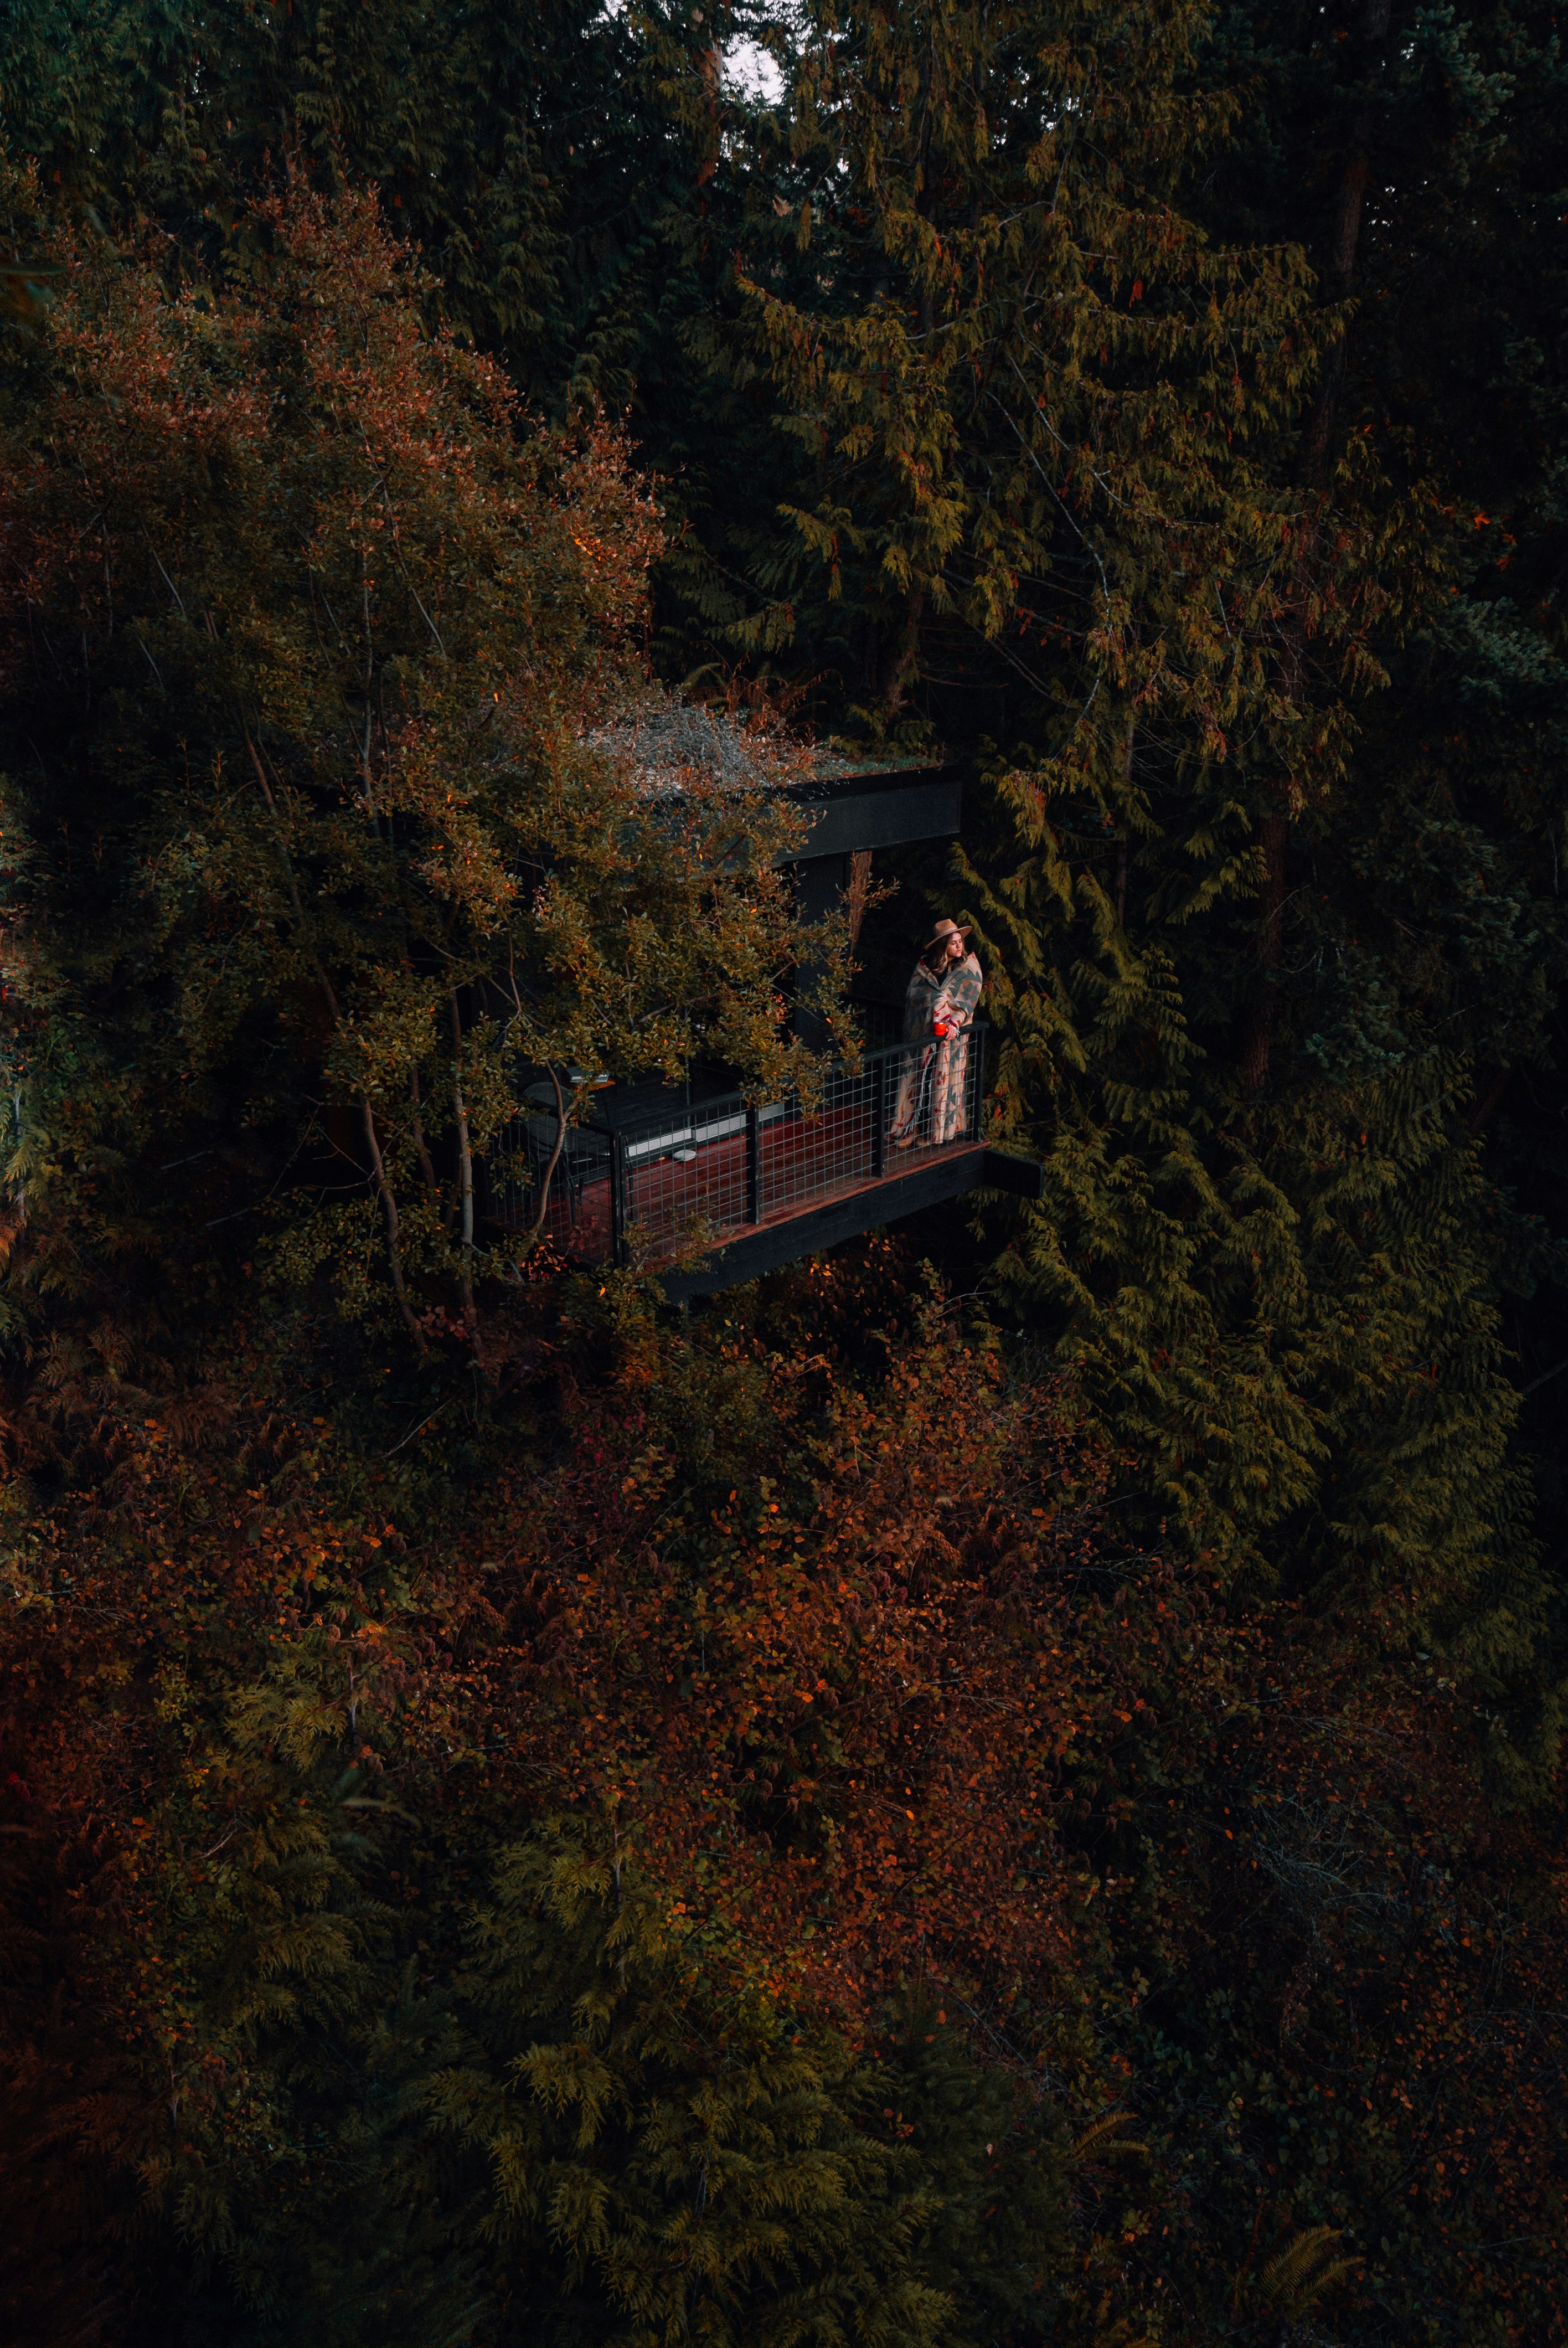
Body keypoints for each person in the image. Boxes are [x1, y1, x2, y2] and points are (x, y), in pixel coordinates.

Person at [889, 917, 983, 1149]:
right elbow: (914, 995)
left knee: (941, 1082)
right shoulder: (925, 969)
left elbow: (968, 999)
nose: (959, 946)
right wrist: (936, 1002)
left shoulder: (968, 968)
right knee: (919, 1079)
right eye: (953, 943)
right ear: (943, 946)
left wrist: (953, 1021)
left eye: (960, 942)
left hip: (950, 1038)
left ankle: (933, 1131)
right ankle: (910, 1128)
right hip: (924, 1036)